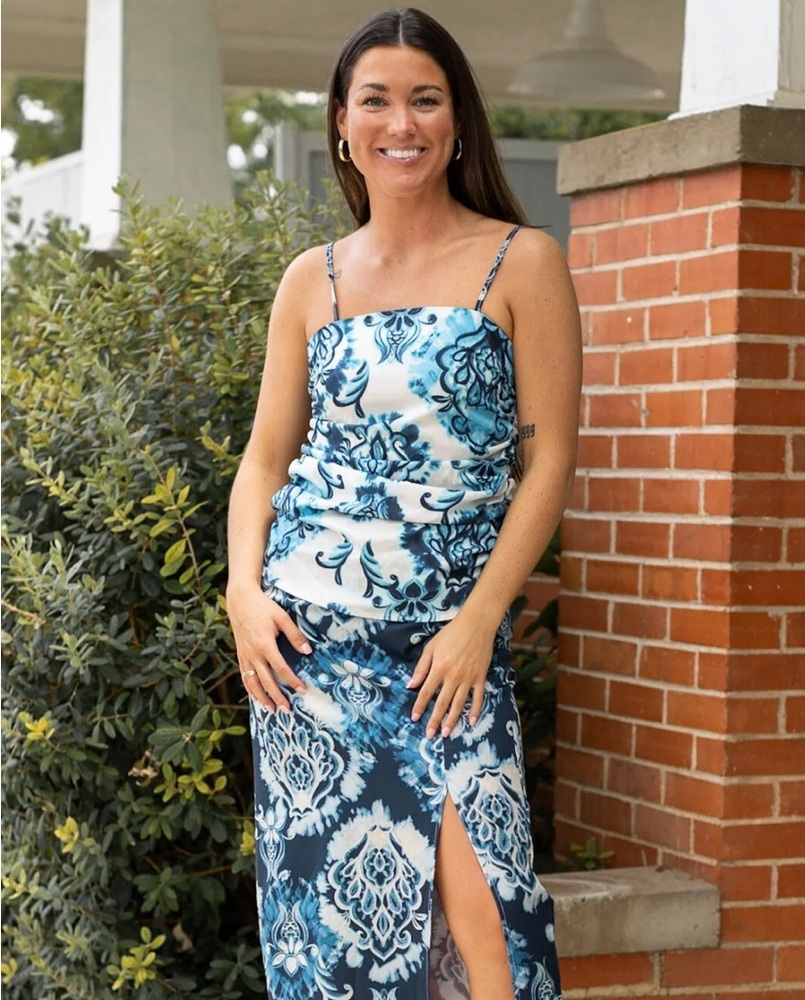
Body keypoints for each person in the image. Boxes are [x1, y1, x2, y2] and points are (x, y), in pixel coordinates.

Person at [226, 7, 581, 1000]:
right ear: (342, 124)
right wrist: (242, 592)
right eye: (376, 101)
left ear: (457, 121)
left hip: (446, 650)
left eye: (425, 100)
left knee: (491, 920)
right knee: (335, 934)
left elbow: (549, 461)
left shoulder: (522, 260)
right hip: (307, 653)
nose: (401, 123)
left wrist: (480, 620)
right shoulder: (312, 281)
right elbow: (263, 461)